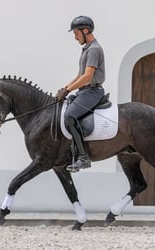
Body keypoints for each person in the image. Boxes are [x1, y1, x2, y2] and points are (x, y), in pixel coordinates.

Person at [56, 16, 106, 172]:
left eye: (76, 33)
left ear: (85, 31)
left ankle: (83, 158)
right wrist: (65, 88)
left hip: (93, 91)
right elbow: (80, 75)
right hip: (85, 90)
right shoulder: (86, 49)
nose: (75, 37)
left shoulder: (94, 50)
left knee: (70, 116)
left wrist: (69, 90)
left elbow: (87, 77)